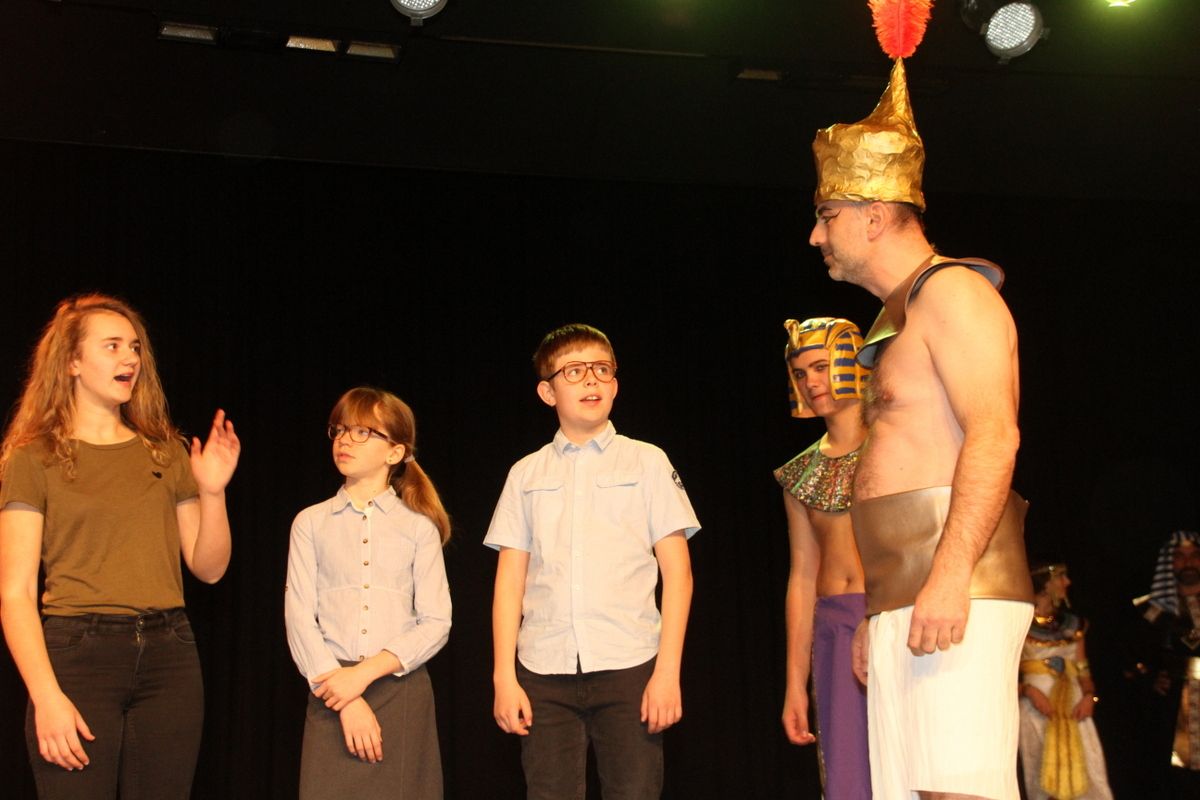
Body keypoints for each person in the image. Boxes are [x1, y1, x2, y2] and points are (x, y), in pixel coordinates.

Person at [809, 58, 1034, 799]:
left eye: (827, 215)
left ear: (874, 215)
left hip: (957, 584)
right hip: (904, 595)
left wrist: (950, 576)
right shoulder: (898, 318)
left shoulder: (955, 293)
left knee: (956, 792)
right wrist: (881, 608)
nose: (815, 235)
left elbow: (994, 435)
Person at [0, 293, 240, 799]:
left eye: (134, 347)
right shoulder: (34, 457)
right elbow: (15, 592)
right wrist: (46, 696)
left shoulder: (165, 450)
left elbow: (209, 567)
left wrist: (213, 492)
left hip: (169, 655)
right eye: (112, 346)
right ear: (72, 361)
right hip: (79, 655)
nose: (129, 358)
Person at [485, 323, 700, 799]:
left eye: (602, 369)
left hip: (629, 663)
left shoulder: (647, 462)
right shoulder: (525, 474)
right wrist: (504, 677)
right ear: (547, 392)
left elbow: (679, 575)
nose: (591, 380)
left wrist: (667, 673)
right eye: (574, 371)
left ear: (615, 384)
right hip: (544, 669)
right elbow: (509, 584)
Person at [284, 387, 451, 800]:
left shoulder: (418, 527)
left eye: (362, 432)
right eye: (339, 430)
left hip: (399, 687)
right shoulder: (310, 523)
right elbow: (299, 617)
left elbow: (436, 622)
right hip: (330, 688)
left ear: (395, 452)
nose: (345, 440)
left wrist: (362, 676)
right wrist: (345, 695)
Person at [774, 317, 871, 798]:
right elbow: (802, 577)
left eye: (820, 366)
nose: (811, 382)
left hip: (894, 614)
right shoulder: (800, 473)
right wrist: (795, 682)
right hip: (833, 626)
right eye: (800, 372)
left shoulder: (896, 446)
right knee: (849, 777)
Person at [1018, 563, 1113, 800]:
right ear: (1044, 582)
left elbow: (1082, 670)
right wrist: (1028, 691)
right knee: (1042, 773)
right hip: (1036, 710)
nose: (1067, 582)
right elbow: (1003, 676)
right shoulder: (1018, 624)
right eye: (1061, 577)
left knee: (1087, 771)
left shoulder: (1072, 625)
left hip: (1073, 707)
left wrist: (1089, 697)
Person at [1127, 529, 1200, 795]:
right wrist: (1149, 677)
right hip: (1169, 707)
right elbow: (1130, 657)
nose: (1188, 562)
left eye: (1194, 555)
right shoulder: (1151, 610)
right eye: (1180, 556)